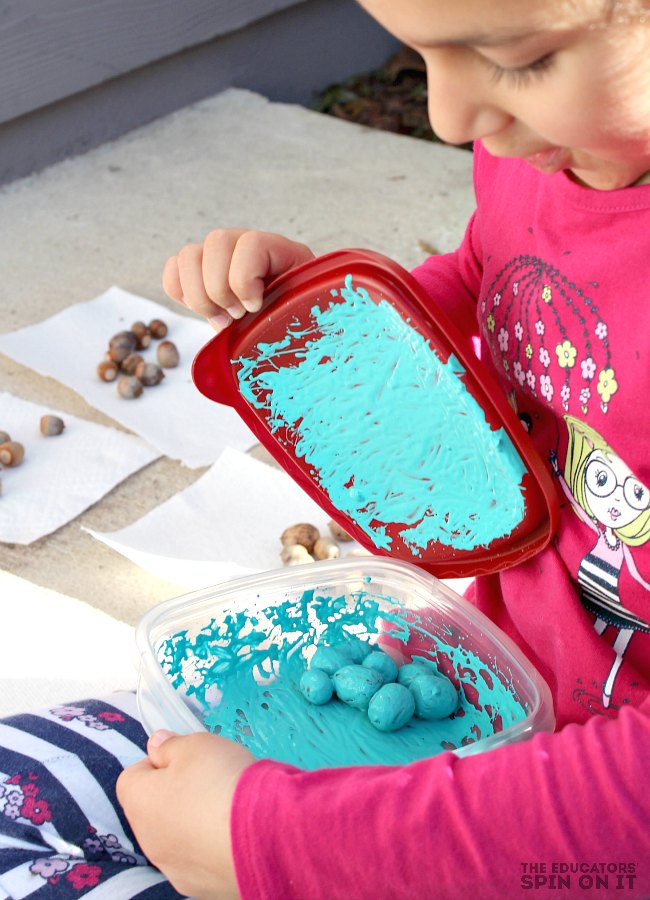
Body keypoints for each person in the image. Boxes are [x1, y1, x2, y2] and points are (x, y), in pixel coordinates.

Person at [2, 0, 649, 896]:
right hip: (475, 684)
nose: (450, 119)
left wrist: (276, 843)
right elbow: (499, 291)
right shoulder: (542, 156)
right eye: (421, 54)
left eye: (523, 60)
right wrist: (332, 322)